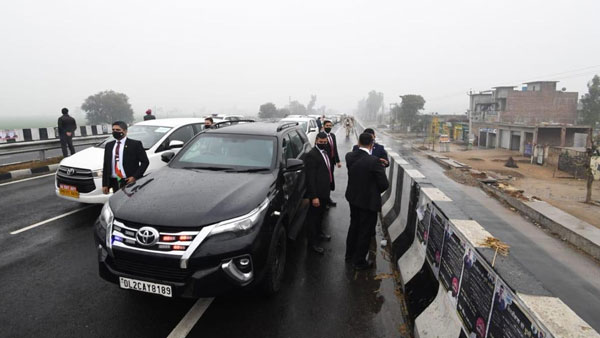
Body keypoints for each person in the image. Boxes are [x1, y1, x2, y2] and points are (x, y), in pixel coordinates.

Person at [345, 133, 389, 270]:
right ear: (372, 144)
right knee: (365, 231)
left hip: (353, 198)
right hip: (368, 201)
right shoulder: (374, 161)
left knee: (354, 227)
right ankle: (359, 261)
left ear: (358, 142)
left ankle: (349, 254)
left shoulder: (349, 156)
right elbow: (384, 184)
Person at [305, 132, 334, 254]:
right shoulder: (312, 155)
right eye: (321, 142)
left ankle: (320, 233)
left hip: (324, 191)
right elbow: (310, 178)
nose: (323, 144)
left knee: (321, 215)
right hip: (317, 193)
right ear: (316, 141)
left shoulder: (324, 152)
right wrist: (314, 196)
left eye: (325, 142)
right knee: (313, 218)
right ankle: (312, 244)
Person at [102, 121, 150, 194]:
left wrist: (134, 177)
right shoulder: (109, 145)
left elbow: (145, 162)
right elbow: (106, 165)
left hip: (129, 181)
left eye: (118, 130)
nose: (115, 132)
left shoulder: (135, 144)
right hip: (114, 181)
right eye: (113, 130)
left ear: (125, 131)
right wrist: (105, 184)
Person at [323, 120, 341, 206]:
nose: (329, 127)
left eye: (330, 126)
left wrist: (337, 161)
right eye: (327, 125)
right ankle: (324, 200)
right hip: (324, 162)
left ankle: (328, 198)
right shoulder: (321, 136)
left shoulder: (333, 136)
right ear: (323, 126)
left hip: (332, 161)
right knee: (325, 181)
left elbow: (335, 148)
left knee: (330, 180)